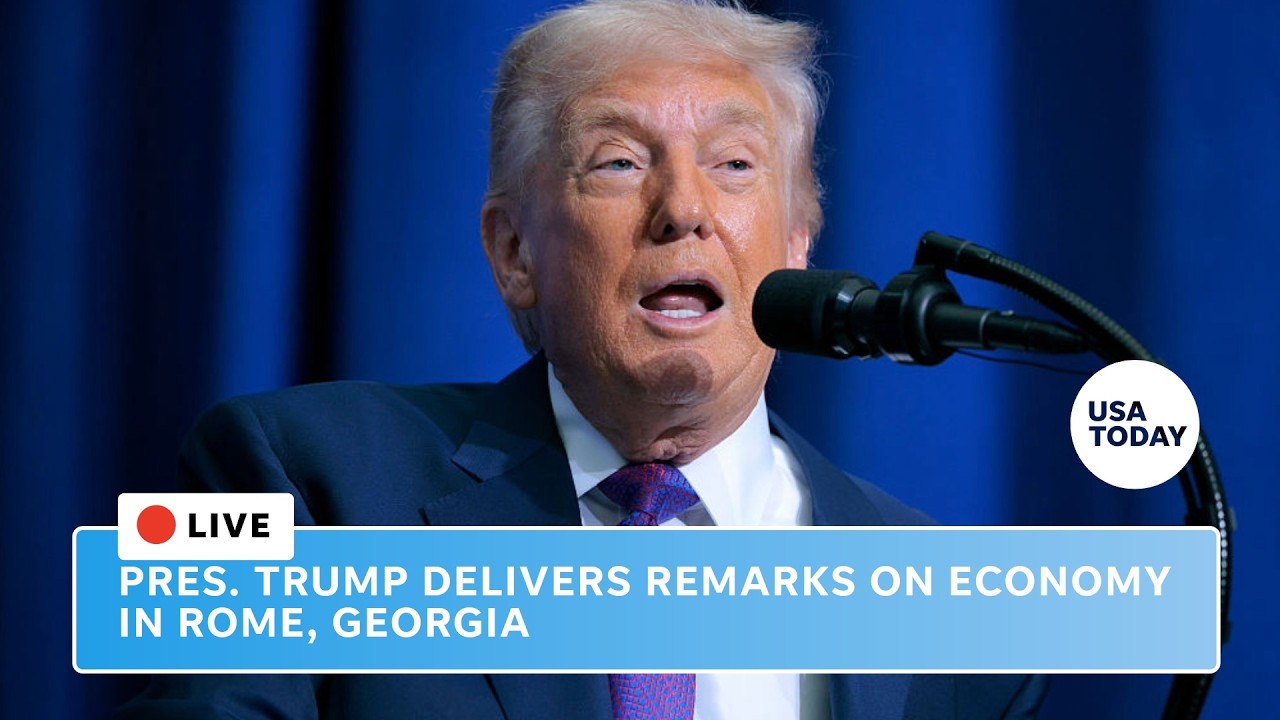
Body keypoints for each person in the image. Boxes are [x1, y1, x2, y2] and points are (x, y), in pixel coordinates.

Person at [118, 1, 1047, 718]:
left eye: (734, 165)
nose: (684, 208)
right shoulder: (290, 479)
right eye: (617, 162)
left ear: (798, 242)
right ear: (515, 253)